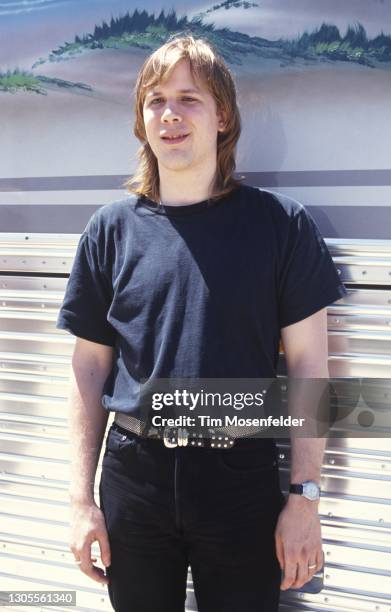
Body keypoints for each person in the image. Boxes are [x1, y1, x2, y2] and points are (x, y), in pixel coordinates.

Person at [56, 34, 347, 612]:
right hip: (134, 480)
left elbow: (311, 366)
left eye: (189, 99)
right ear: (142, 121)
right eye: (155, 100)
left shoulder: (279, 226)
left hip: (239, 480)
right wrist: (80, 502)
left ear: (223, 115)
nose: (170, 115)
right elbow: (88, 370)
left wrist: (304, 499)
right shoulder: (109, 231)